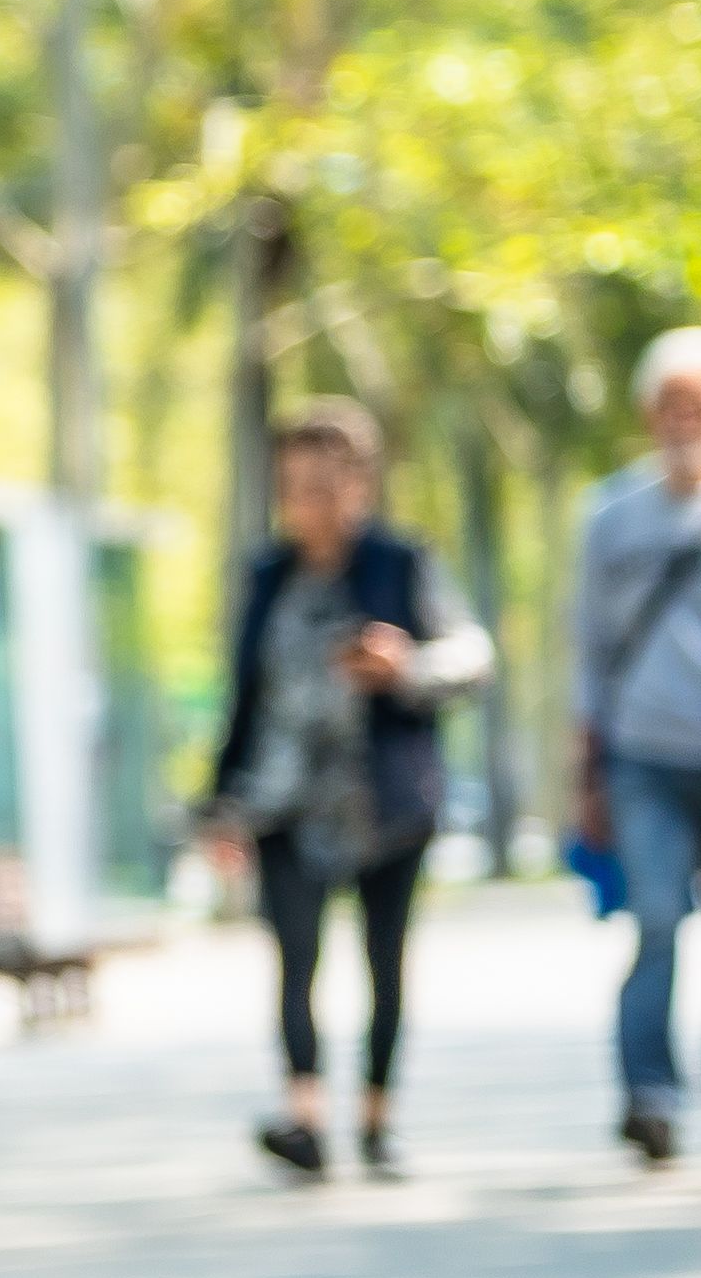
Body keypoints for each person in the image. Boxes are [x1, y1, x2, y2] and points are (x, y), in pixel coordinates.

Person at [201, 398, 489, 1179]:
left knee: (382, 961)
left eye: (326, 486)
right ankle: (303, 1118)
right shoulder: (266, 575)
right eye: (295, 487)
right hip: (284, 800)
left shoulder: (402, 563)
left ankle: (375, 1116)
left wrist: (408, 668)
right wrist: (220, 803)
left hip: (384, 797)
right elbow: (243, 693)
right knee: (296, 958)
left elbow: (470, 653)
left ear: (361, 484)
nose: (309, 504)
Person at [577, 327, 701, 1168]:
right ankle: (648, 1094)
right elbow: (584, 644)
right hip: (643, 753)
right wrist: (582, 767)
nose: (684, 419)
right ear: (646, 413)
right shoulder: (611, 514)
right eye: (671, 404)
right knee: (655, 919)